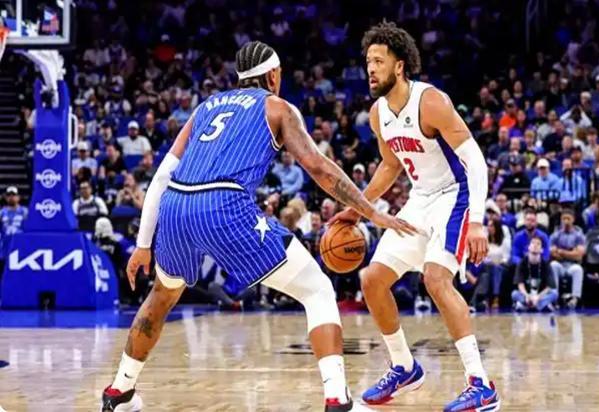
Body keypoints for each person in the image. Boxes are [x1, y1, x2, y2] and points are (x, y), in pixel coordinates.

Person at [101, 40, 416, 412]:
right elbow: (319, 168)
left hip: (175, 206)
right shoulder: (277, 107)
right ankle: (337, 400)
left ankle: (119, 392)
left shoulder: (206, 107)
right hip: (223, 205)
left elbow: (161, 176)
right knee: (317, 290)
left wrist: (143, 244)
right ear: (273, 75)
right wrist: (371, 211)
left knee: (161, 296)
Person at [330, 22, 499, 411]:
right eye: (368, 62)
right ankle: (404, 367)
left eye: (378, 61)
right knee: (372, 279)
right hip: (420, 200)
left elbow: (475, 160)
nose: (370, 69)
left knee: (436, 279)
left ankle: (481, 384)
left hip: (455, 196)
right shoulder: (378, 114)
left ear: (400, 65)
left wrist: (476, 220)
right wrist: (358, 209)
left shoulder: (430, 101)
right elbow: (390, 167)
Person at [550, 209, 585, 309]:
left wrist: (561, 252)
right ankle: (554, 298)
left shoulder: (579, 235)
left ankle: (575, 299)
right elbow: (552, 254)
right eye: (564, 219)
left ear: (573, 220)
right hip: (559, 265)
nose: (566, 221)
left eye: (568, 219)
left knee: (578, 269)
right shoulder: (556, 235)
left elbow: (579, 255)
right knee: (553, 265)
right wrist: (571, 252)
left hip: (572, 266)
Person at [511, 236, 558, 312]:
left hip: (540, 294)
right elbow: (520, 284)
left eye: (538, 244)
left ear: (541, 250)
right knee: (514, 294)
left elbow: (549, 286)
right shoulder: (522, 263)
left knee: (554, 293)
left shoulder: (546, 264)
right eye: (533, 243)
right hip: (527, 294)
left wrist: (538, 297)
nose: (535, 245)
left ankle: (525, 306)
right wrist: (527, 296)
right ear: (529, 247)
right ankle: (542, 306)